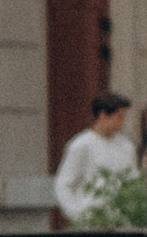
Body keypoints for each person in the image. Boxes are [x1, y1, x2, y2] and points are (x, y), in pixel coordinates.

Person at [52, 90, 135, 226]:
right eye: (119, 116)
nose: (122, 122)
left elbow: (131, 180)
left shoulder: (126, 146)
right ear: (103, 115)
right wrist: (79, 215)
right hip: (91, 221)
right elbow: (63, 185)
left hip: (121, 221)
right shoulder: (81, 144)